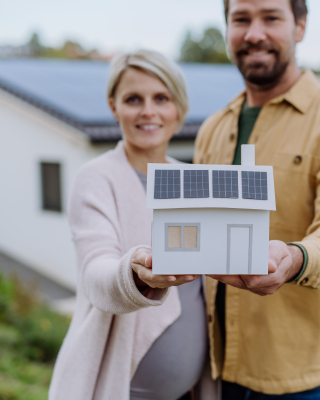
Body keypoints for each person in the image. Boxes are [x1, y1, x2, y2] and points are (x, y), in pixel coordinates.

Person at [193, 0, 320, 398]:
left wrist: (295, 258)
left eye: (271, 18)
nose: (254, 33)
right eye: (240, 19)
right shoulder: (212, 129)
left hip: (311, 380)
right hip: (219, 373)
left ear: (300, 26)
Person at [49, 50, 219, 400]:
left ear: (179, 109)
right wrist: (134, 274)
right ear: (114, 107)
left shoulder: (194, 182)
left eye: (161, 98)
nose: (147, 111)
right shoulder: (96, 178)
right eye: (133, 99)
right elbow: (95, 271)